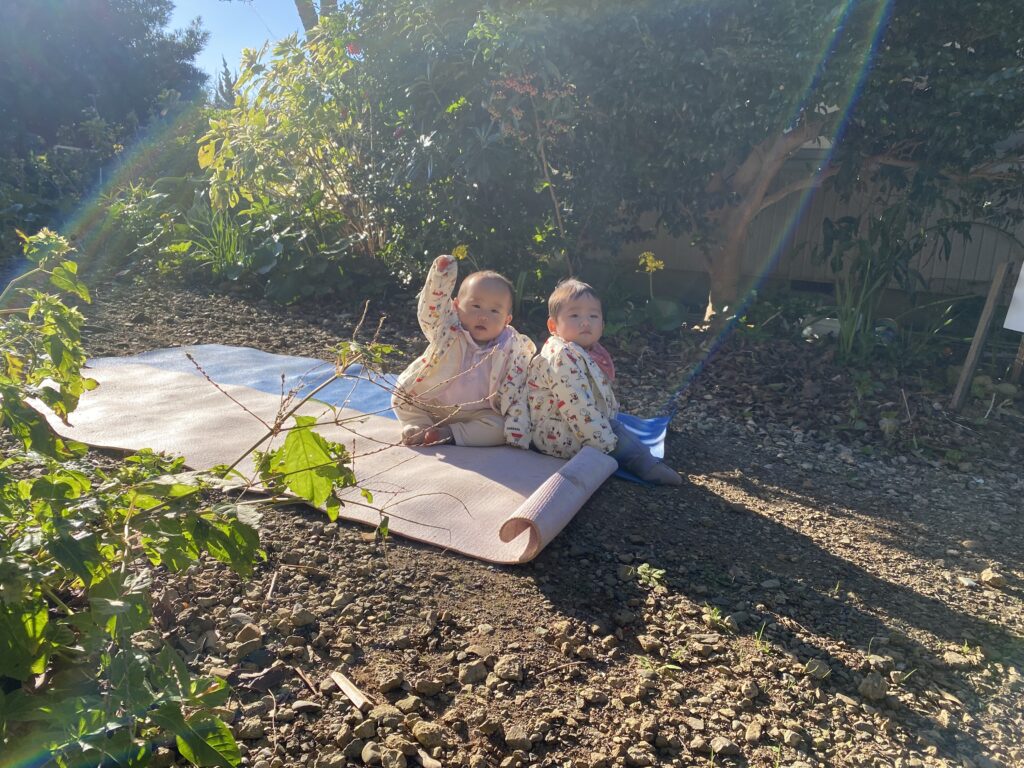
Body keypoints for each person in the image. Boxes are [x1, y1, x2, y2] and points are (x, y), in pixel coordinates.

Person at [527, 278, 682, 485]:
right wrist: (606, 442)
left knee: (615, 426)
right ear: (553, 325)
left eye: (593, 316)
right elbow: (577, 405)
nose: (585, 322)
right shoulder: (561, 356)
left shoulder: (586, 351)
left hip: (576, 424)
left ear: (602, 324)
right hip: (556, 434)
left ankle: (612, 438)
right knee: (618, 433)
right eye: (574, 315)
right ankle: (647, 466)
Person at [392, 255, 534, 448]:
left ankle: (449, 434)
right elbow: (430, 314)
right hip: (432, 402)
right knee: (403, 399)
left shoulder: (512, 347)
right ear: (457, 306)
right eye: (476, 306)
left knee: (502, 428)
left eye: (494, 311)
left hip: (477, 413)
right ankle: (419, 426)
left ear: (507, 320)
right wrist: (440, 278)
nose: (483, 316)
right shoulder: (448, 331)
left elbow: (520, 381)